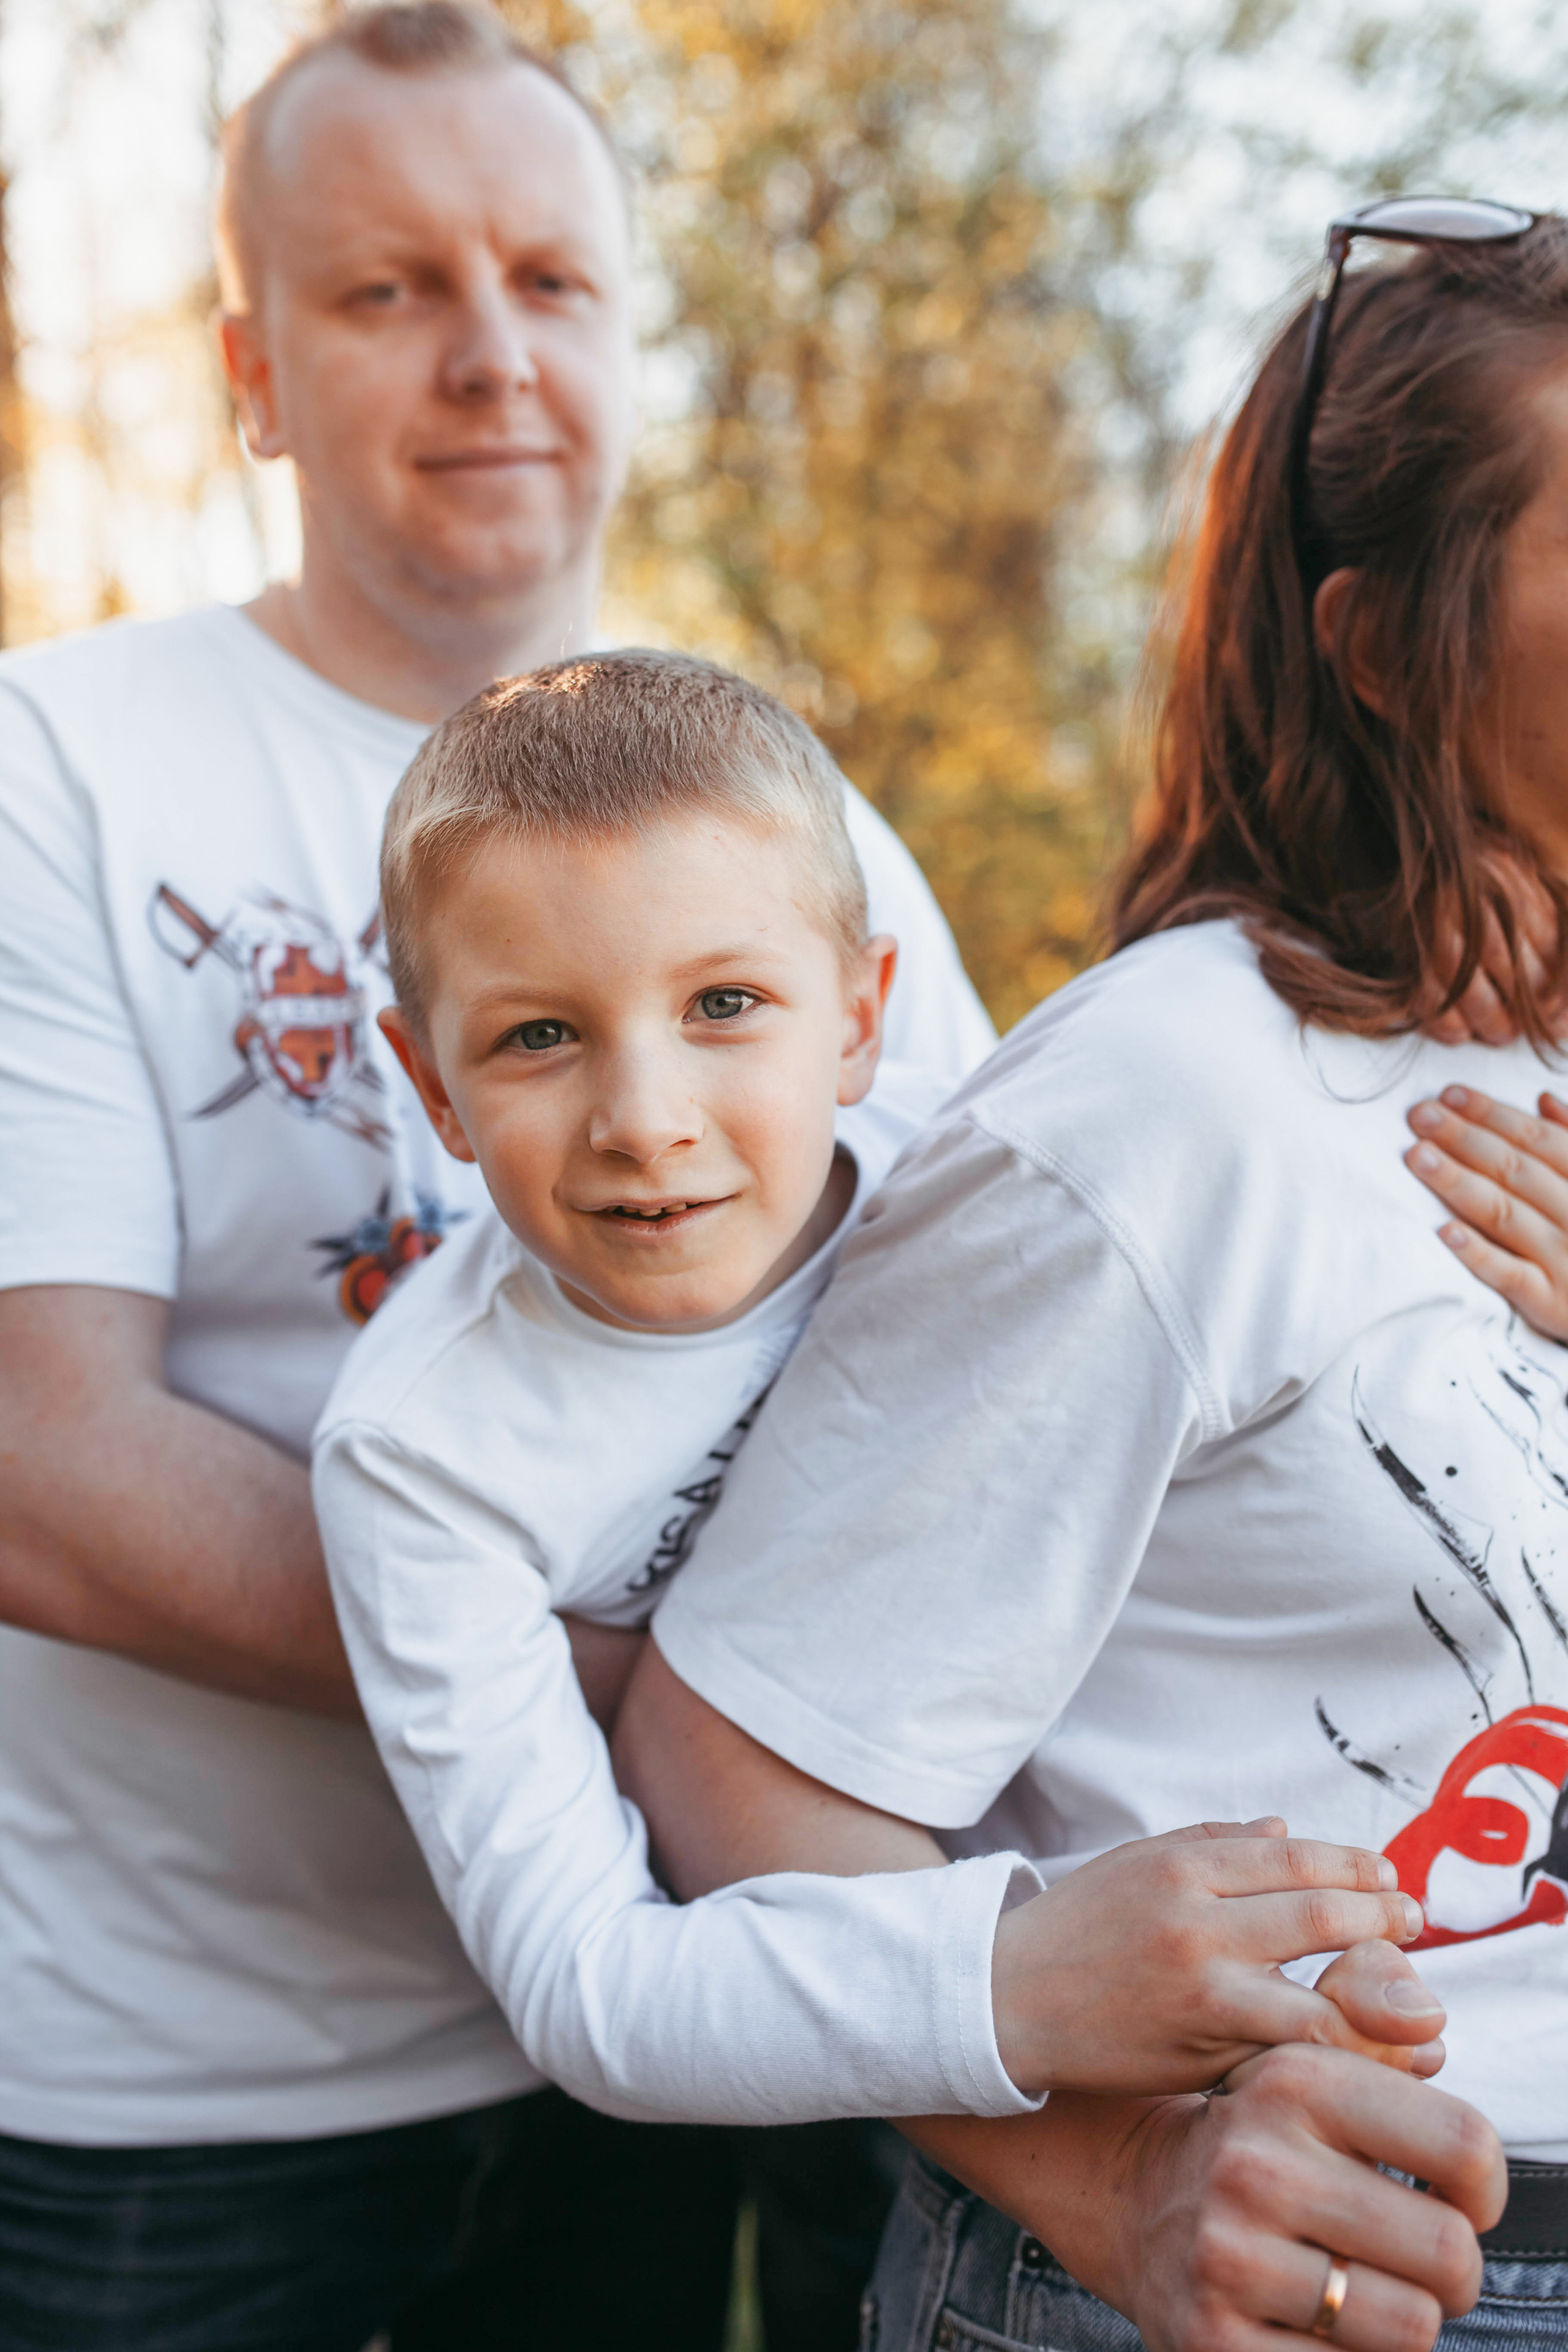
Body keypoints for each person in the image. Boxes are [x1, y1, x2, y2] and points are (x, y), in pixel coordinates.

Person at [0, 9, 997, 2348]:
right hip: (181, 2091)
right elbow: (41, 1466)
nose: (492, 355)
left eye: (553, 281)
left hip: (676, 2021)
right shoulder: (57, 771)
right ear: (253, 373)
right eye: (390, 290)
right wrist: (674, 1704)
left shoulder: (793, 821)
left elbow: (996, 1314)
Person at [611, 205, 1568, 2351]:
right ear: (1387, 650)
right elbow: (728, 1770)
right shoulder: (1162, 1112)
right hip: (1295, 2282)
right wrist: (1122, 2186)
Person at [311, 646, 1436, 2135]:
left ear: (857, 1020)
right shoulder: (421, 1454)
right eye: (538, 1037)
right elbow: (587, 1978)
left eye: (723, 1003)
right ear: (431, 1088)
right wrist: (1012, 1977)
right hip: (804, 2004)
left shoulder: (1000, 1182)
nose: (644, 1121)